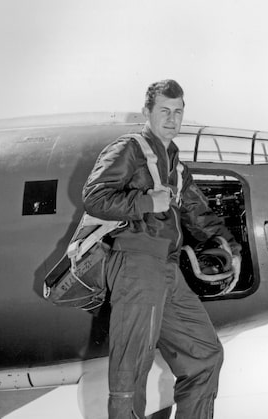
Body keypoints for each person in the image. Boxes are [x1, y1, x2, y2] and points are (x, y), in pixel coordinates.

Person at [82, 79, 241, 419]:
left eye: (178, 112)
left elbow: (198, 214)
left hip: (167, 269)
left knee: (205, 355)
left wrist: (230, 247)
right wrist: (145, 202)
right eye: (164, 111)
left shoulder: (175, 165)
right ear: (147, 112)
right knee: (131, 369)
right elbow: (94, 197)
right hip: (136, 263)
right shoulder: (129, 148)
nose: (172, 119)